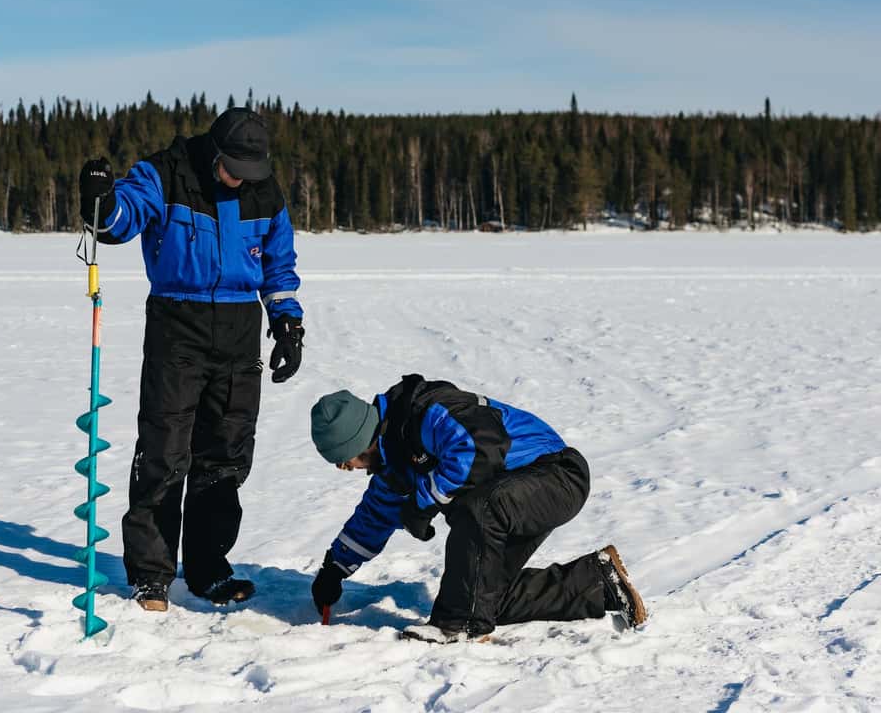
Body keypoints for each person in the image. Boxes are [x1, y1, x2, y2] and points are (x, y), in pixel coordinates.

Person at [79, 107, 305, 611]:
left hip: (239, 328)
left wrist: (287, 322)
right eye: (234, 170)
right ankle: (152, 576)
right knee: (164, 451)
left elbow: (279, 265)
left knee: (225, 456)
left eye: (251, 172)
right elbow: (122, 219)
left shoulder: (265, 191)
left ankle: (208, 570)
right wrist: (102, 202)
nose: (241, 181)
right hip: (176, 325)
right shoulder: (166, 172)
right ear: (215, 152)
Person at [308, 374, 647, 643]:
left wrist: (423, 502)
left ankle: (456, 627)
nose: (346, 469)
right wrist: (334, 568)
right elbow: (374, 517)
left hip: (556, 474)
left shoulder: (423, 413)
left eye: (342, 461)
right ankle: (600, 582)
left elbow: (479, 450)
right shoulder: (392, 462)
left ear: (353, 443)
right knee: (479, 597)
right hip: (512, 495)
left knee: (476, 510)